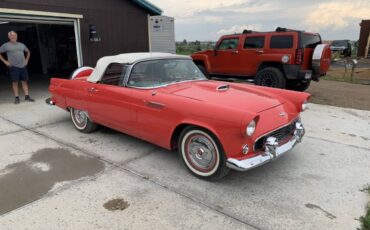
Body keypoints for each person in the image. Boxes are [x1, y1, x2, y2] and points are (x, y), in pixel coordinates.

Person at [0, 31, 34, 104]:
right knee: (15, 82)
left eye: (15, 35)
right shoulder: (6, 45)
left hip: (23, 66)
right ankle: (17, 97)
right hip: (13, 67)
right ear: (9, 37)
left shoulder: (21, 45)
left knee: (24, 81)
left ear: (17, 36)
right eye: (12, 35)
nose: (13, 36)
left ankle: (27, 96)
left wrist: (26, 60)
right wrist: (5, 62)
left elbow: (28, 52)